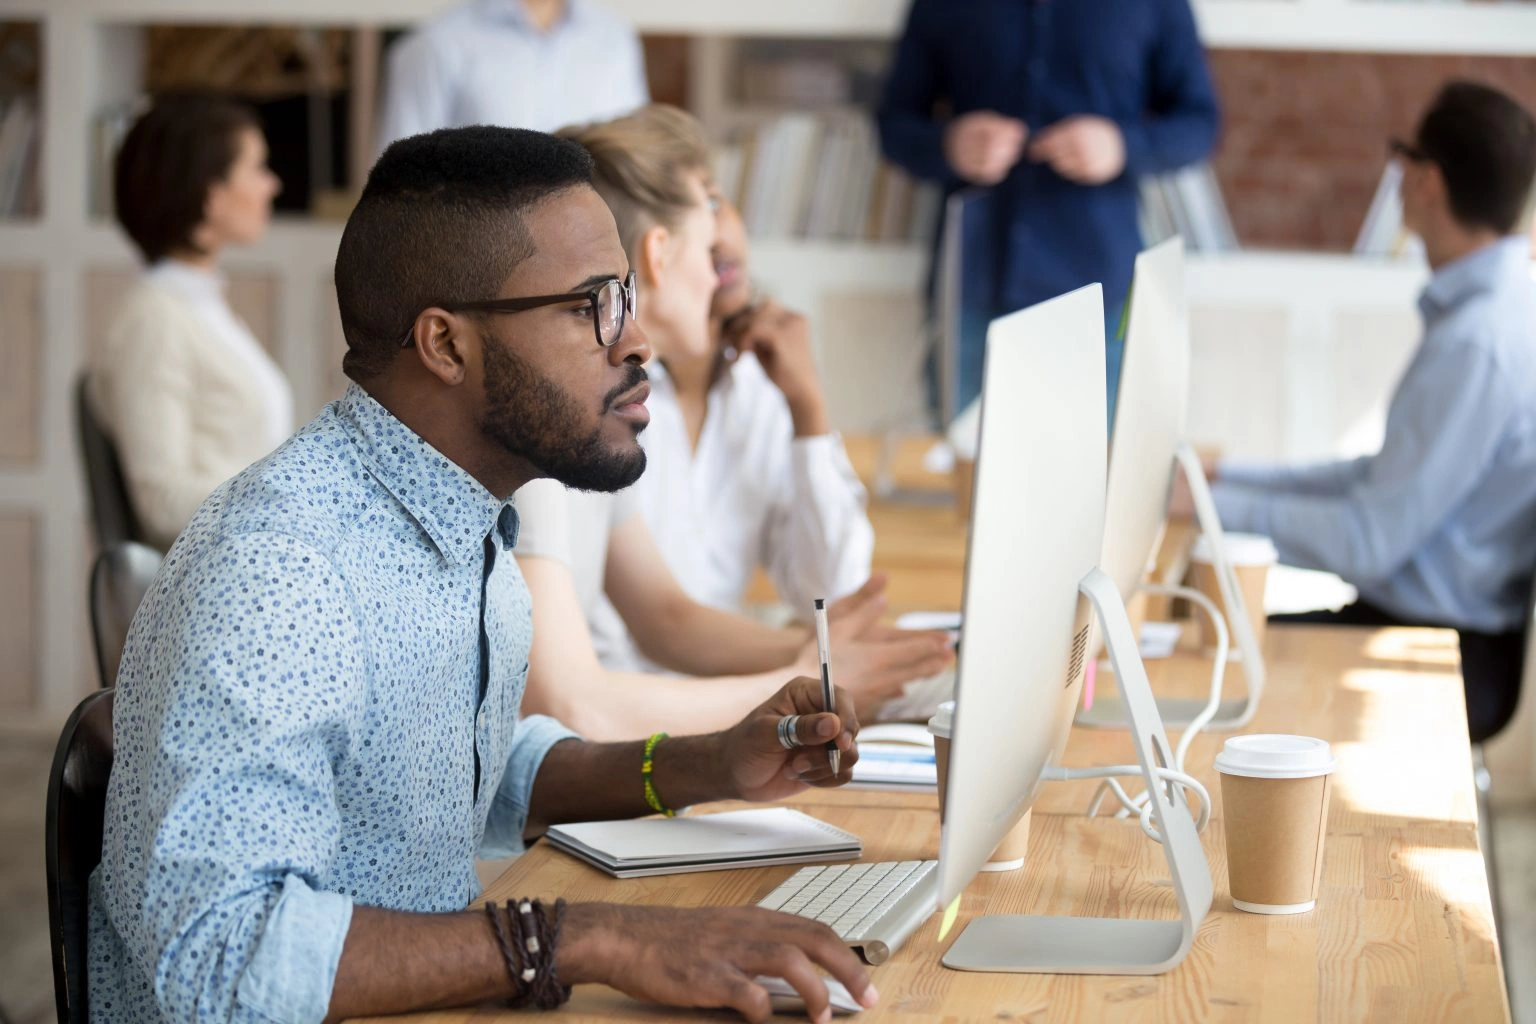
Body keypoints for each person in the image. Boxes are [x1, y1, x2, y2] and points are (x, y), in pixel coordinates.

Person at [89, 124, 881, 1023]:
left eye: (622, 296)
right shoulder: (282, 568)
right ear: (446, 345)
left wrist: (711, 763)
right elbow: (215, 958)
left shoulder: (467, 527)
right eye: (591, 307)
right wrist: (592, 937)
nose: (635, 343)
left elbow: (474, 769)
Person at [513, 106, 952, 740]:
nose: (724, 249)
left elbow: (667, 617)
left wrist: (833, 665)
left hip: (628, 741)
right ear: (660, 255)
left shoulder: (598, 407)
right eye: (709, 210)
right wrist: (805, 678)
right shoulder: (549, 421)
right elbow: (572, 708)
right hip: (578, 771)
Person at [1190, 81, 1536, 741]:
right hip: (1427, 626)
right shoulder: (1494, 315)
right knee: (1199, 645)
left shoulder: (1480, 342)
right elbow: (1381, 479)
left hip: (1443, 651)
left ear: (1427, 180)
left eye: (1402, 158)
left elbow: (1371, 540)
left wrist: (1208, 506)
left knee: (1198, 671)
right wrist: (1226, 477)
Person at [586, 108, 876, 673]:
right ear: (654, 249)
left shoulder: (761, 383)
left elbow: (832, 594)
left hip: (722, 703)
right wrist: (818, 656)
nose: (718, 238)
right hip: (628, 716)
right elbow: (666, 627)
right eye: (702, 211)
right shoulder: (598, 398)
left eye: (717, 203)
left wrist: (808, 407)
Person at [876, 0, 1220, 422]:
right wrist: (948, 144)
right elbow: (893, 123)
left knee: (1099, 479)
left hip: (1099, 294)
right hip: (973, 280)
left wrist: (1121, 147)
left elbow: (1200, 123)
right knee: (969, 475)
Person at [89, 94, 292, 551]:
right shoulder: (154, 320)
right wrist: (293, 495)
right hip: (211, 596)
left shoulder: (197, 306)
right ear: (210, 194)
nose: (272, 184)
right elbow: (160, 502)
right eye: (257, 168)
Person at [376, 0, 647, 150]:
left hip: (590, 245)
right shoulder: (437, 42)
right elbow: (395, 183)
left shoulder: (615, 39)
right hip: (476, 246)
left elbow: (634, 153)